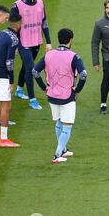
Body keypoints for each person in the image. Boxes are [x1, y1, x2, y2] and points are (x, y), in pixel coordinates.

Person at [33, 28, 88, 164]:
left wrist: (44, 87)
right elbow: (84, 75)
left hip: (51, 95)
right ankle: (57, 154)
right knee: (67, 124)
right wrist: (77, 90)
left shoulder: (48, 55)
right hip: (67, 96)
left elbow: (35, 71)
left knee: (58, 121)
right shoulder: (74, 56)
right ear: (71, 40)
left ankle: (63, 149)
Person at [11, 0, 52, 110]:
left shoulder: (40, 2)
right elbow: (13, 27)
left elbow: (44, 23)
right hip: (23, 42)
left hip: (36, 42)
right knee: (30, 67)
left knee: (26, 66)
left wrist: (48, 42)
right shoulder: (17, 5)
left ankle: (18, 90)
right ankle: (32, 99)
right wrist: (15, 45)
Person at [0, 15, 22, 147]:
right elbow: (9, 62)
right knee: (6, 105)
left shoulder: (1, 33)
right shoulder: (14, 38)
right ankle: (4, 139)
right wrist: (11, 80)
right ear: (17, 24)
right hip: (1, 74)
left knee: (1, 102)